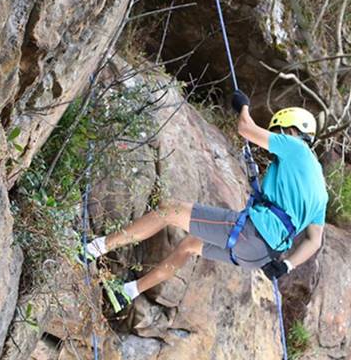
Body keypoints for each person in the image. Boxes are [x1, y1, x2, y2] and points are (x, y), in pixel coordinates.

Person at [80, 91, 328, 313]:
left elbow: (245, 128)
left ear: (289, 129)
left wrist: (243, 106)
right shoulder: (321, 191)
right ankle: (128, 292)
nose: (275, 138)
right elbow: (314, 240)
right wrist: (286, 266)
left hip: (253, 231)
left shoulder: (295, 147)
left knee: (169, 210)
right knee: (189, 244)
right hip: (261, 255)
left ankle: (93, 249)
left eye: (278, 132)